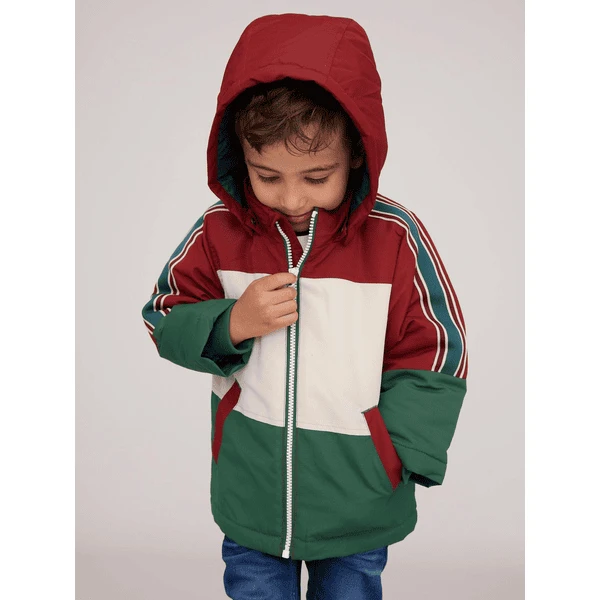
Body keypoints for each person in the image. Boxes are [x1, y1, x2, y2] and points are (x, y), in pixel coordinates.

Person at [141, 13, 468, 600]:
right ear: (240, 157)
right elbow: (163, 312)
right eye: (267, 176)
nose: (291, 198)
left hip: (360, 493)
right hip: (252, 489)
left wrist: (396, 456)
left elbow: (436, 348)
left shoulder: (394, 237)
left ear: (357, 155)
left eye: (317, 178)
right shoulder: (219, 232)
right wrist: (231, 323)